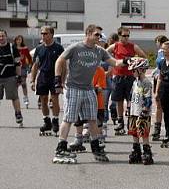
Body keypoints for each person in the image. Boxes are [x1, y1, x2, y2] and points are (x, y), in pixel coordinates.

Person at [52, 25, 129, 163]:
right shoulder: (76, 47)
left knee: (92, 119)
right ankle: (61, 147)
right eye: (96, 35)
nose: (99, 37)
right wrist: (58, 79)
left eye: (100, 35)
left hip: (89, 89)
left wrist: (126, 61)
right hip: (74, 87)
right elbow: (60, 60)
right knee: (69, 118)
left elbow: (114, 62)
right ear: (88, 34)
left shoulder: (100, 51)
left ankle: (95, 147)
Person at [107, 27, 146, 135]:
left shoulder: (133, 46)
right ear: (119, 36)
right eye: (124, 35)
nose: (126, 38)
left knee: (131, 100)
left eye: (128, 35)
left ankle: (131, 121)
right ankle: (120, 122)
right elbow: (104, 54)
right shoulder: (115, 46)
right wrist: (113, 63)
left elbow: (144, 57)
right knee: (118, 100)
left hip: (130, 77)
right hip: (118, 77)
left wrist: (134, 61)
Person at [30, 25, 64, 136]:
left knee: (54, 99)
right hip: (43, 77)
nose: (43, 35)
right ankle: (47, 121)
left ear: (51, 34)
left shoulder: (58, 48)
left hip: (55, 77)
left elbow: (64, 66)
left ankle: (55, 120)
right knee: (43, 99)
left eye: (46, 33)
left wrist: (62, 80)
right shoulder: (39, 48)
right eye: (42, 33)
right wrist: (32, 80)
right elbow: (35, 65)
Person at [126, 57, 154, 165]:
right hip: (134, 111)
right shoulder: (135, 82)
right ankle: (136, 150)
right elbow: (131, 95)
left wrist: (145, 110)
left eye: (134, 70)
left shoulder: (146, 83)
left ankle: (147, 151)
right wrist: (128, 107)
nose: (132, 73)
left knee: (143, 132)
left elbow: (148, 99)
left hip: (142, 113)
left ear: (141, 70)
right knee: (134, 132)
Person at [0, 30, 23, 127]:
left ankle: (18, 114)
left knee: (14, 97)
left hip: (10, 77)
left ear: (6, 36)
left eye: (3, 36)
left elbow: (17, 63)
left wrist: (18, 76)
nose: (1, 38)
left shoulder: (12, 47)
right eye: (0, 36)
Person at [150, 34, 169, 142]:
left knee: (162, 106)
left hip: (163, 80)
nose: (156, 44)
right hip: (157, 79)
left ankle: (166, 129)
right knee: (158, 105)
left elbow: (163, 66)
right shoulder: (160, 52)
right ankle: (157, 128)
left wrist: (158, 72)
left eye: (156, 42)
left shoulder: (164, 52)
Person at [13, 35, 31, 108]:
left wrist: (30, 65)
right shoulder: (13, 48)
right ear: (15, 40)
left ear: (22, 40)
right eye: (17, 40)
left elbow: (29, 57)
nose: (18, 41)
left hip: (23, 67)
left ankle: (25, 98)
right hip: (14, 68)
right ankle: (16, 99)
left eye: (20, 39)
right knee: (16, 84)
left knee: (23, 83)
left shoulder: (25, 48)